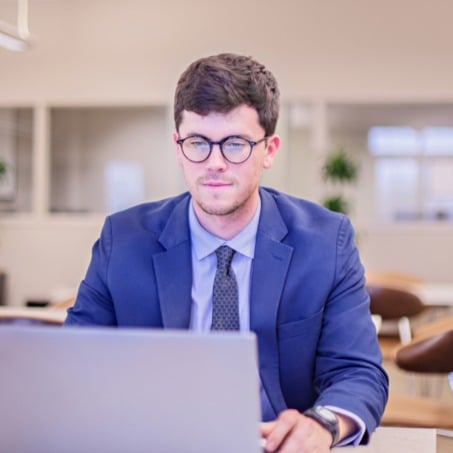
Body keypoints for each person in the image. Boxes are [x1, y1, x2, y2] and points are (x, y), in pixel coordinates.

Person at [65, 53, 388, 452]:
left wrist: (323, 425)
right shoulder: (124, 239)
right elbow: (76, 363)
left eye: (235, 144)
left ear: (269, 149)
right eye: (198, 143)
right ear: (178, 147)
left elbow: (358, 371)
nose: (214, 163)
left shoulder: (325, 242)